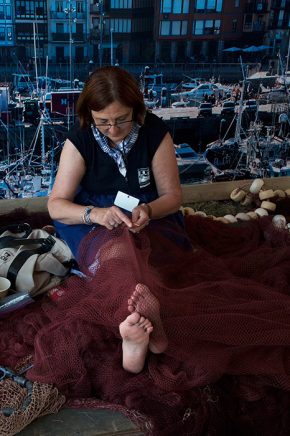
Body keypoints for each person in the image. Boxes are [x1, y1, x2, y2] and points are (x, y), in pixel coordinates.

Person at [47, 65, 184, 373]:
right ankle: (141, 330)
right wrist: (94, 214)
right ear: (89, 115)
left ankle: (133, 326)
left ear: (136, 109)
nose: (113, 129)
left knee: (143, 255)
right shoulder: (79, 141)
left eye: (121, 119)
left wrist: (148, 211)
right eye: (103, 122)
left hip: (150, 216)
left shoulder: (154, 132)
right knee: (117, 253)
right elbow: (56, 206)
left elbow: (173, 197)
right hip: (94, 221)